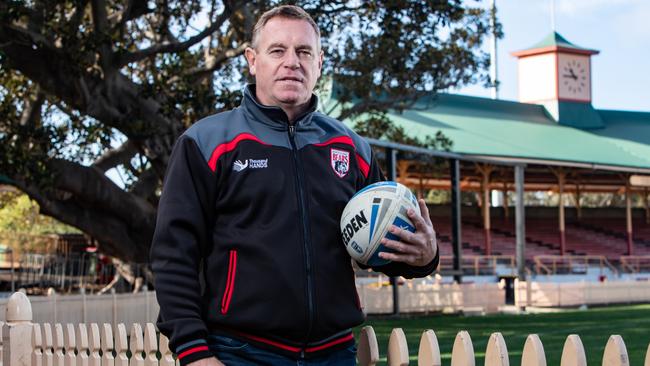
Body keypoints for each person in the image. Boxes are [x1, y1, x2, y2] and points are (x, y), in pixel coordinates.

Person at [150, 5, 439, 366]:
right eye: (277, 50)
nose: (292, 62)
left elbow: (381, 243)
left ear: (319, 62)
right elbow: (174, 254)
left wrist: (424, 258)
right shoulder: (206, 143)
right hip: (239, 353)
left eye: (304, 51)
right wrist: (193, 350)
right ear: (253, 61)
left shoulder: (352, 149)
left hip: (333, 353)